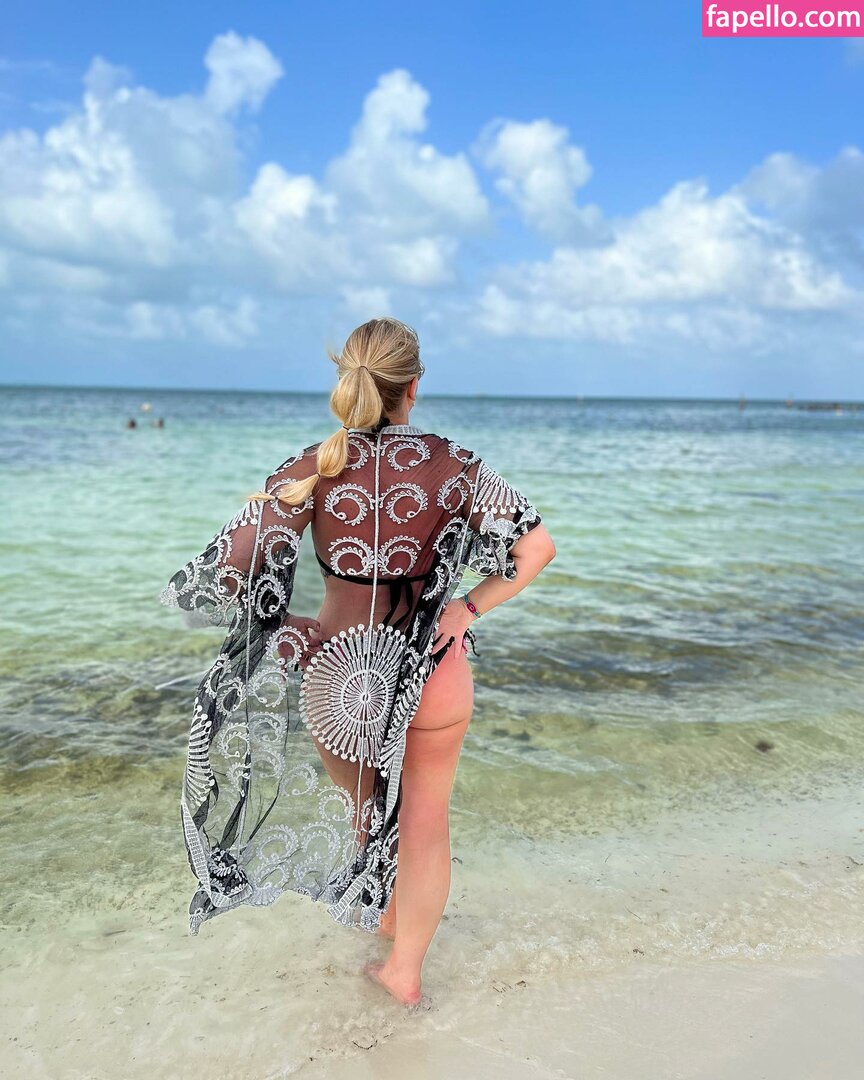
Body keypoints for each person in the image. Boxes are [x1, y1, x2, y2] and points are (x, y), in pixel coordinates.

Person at [159, 317, 556, 1006]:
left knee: (368, 817)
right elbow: (535, 549)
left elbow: (220, 580)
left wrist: (286, 623)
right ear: (414, 386)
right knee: (425, 822)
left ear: (348, 380)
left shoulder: (314, 465)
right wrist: (466, 608)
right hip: (431, 671)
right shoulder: (455, 466)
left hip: (340, 676)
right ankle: (405, 968)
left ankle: (386, 927)